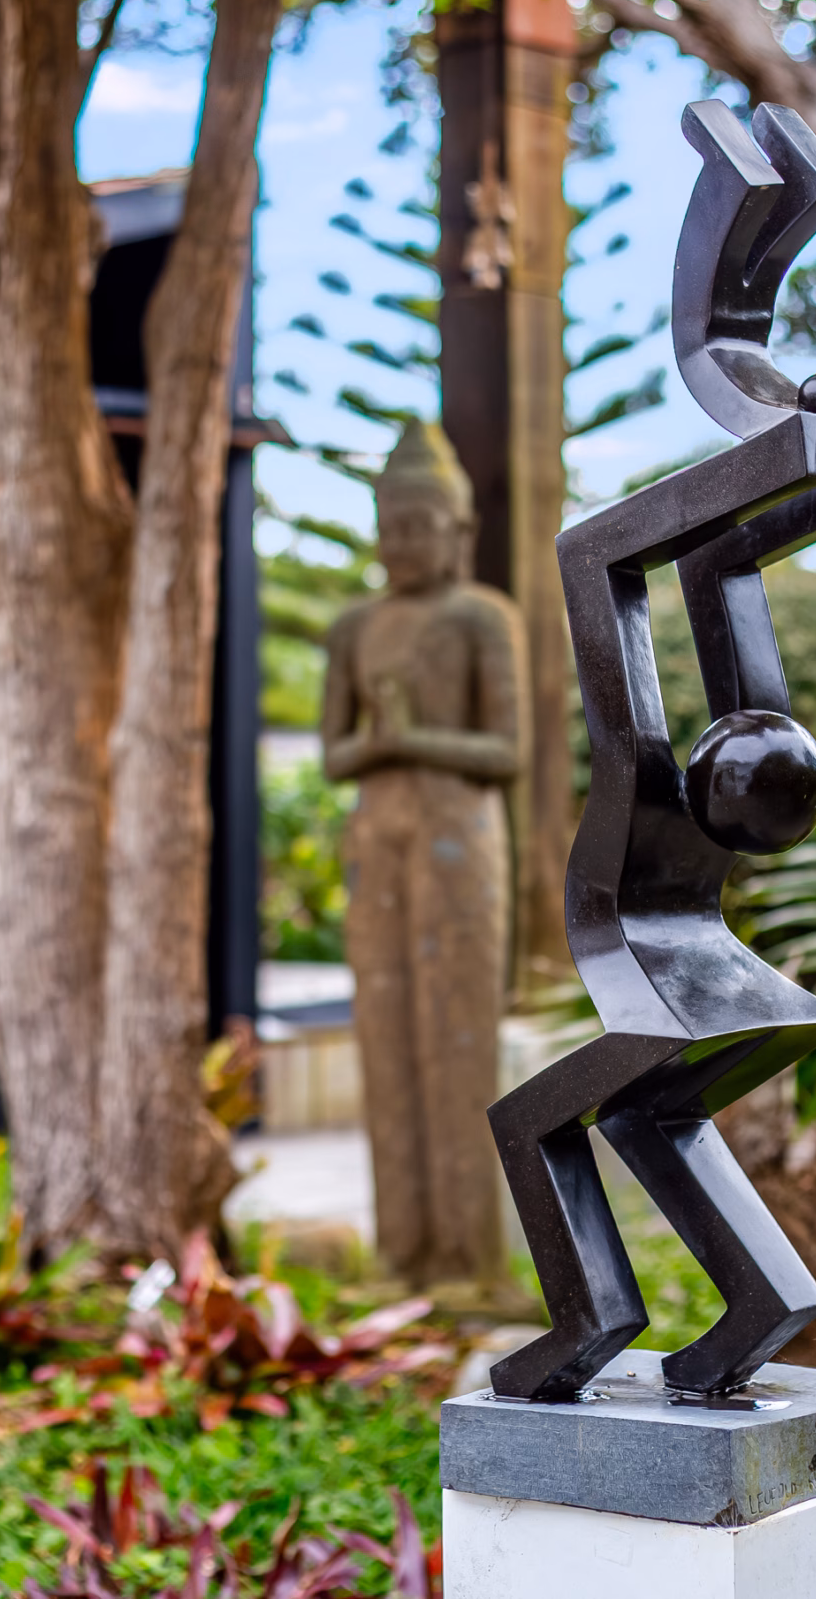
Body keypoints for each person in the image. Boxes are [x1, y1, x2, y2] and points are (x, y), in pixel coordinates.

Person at [321, 419, 526, 1292]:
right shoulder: (355, 626)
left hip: (459, 842)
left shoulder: (483, 617)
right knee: (386, 1033)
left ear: (458, 530)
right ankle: (401, 1249)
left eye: (419, 525)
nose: (402, 543)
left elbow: (508, 750)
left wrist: (408, 738)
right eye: (390, 526)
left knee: (457, 1036)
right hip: (379, 842)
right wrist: (380, 742)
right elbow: (336, 754)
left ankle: (468, 1257)